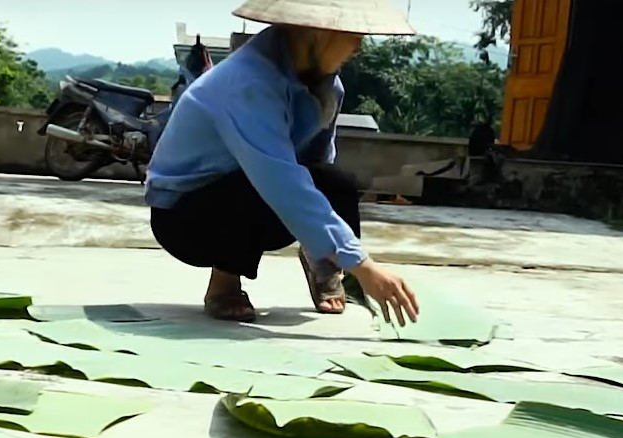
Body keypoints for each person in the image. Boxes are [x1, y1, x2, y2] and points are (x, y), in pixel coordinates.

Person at [145, 0, 421, 326]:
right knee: (249, 185)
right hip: (186, 216)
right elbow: (280, 181)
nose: (358, 47)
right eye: (353, 35)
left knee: (337, 184)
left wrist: (326, 247)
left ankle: (323, 264)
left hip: (260, 190)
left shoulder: (329, 86)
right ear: (319, 33)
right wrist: (364, 265)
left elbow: (317, 164)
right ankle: (224, 284)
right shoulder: (247, 83)